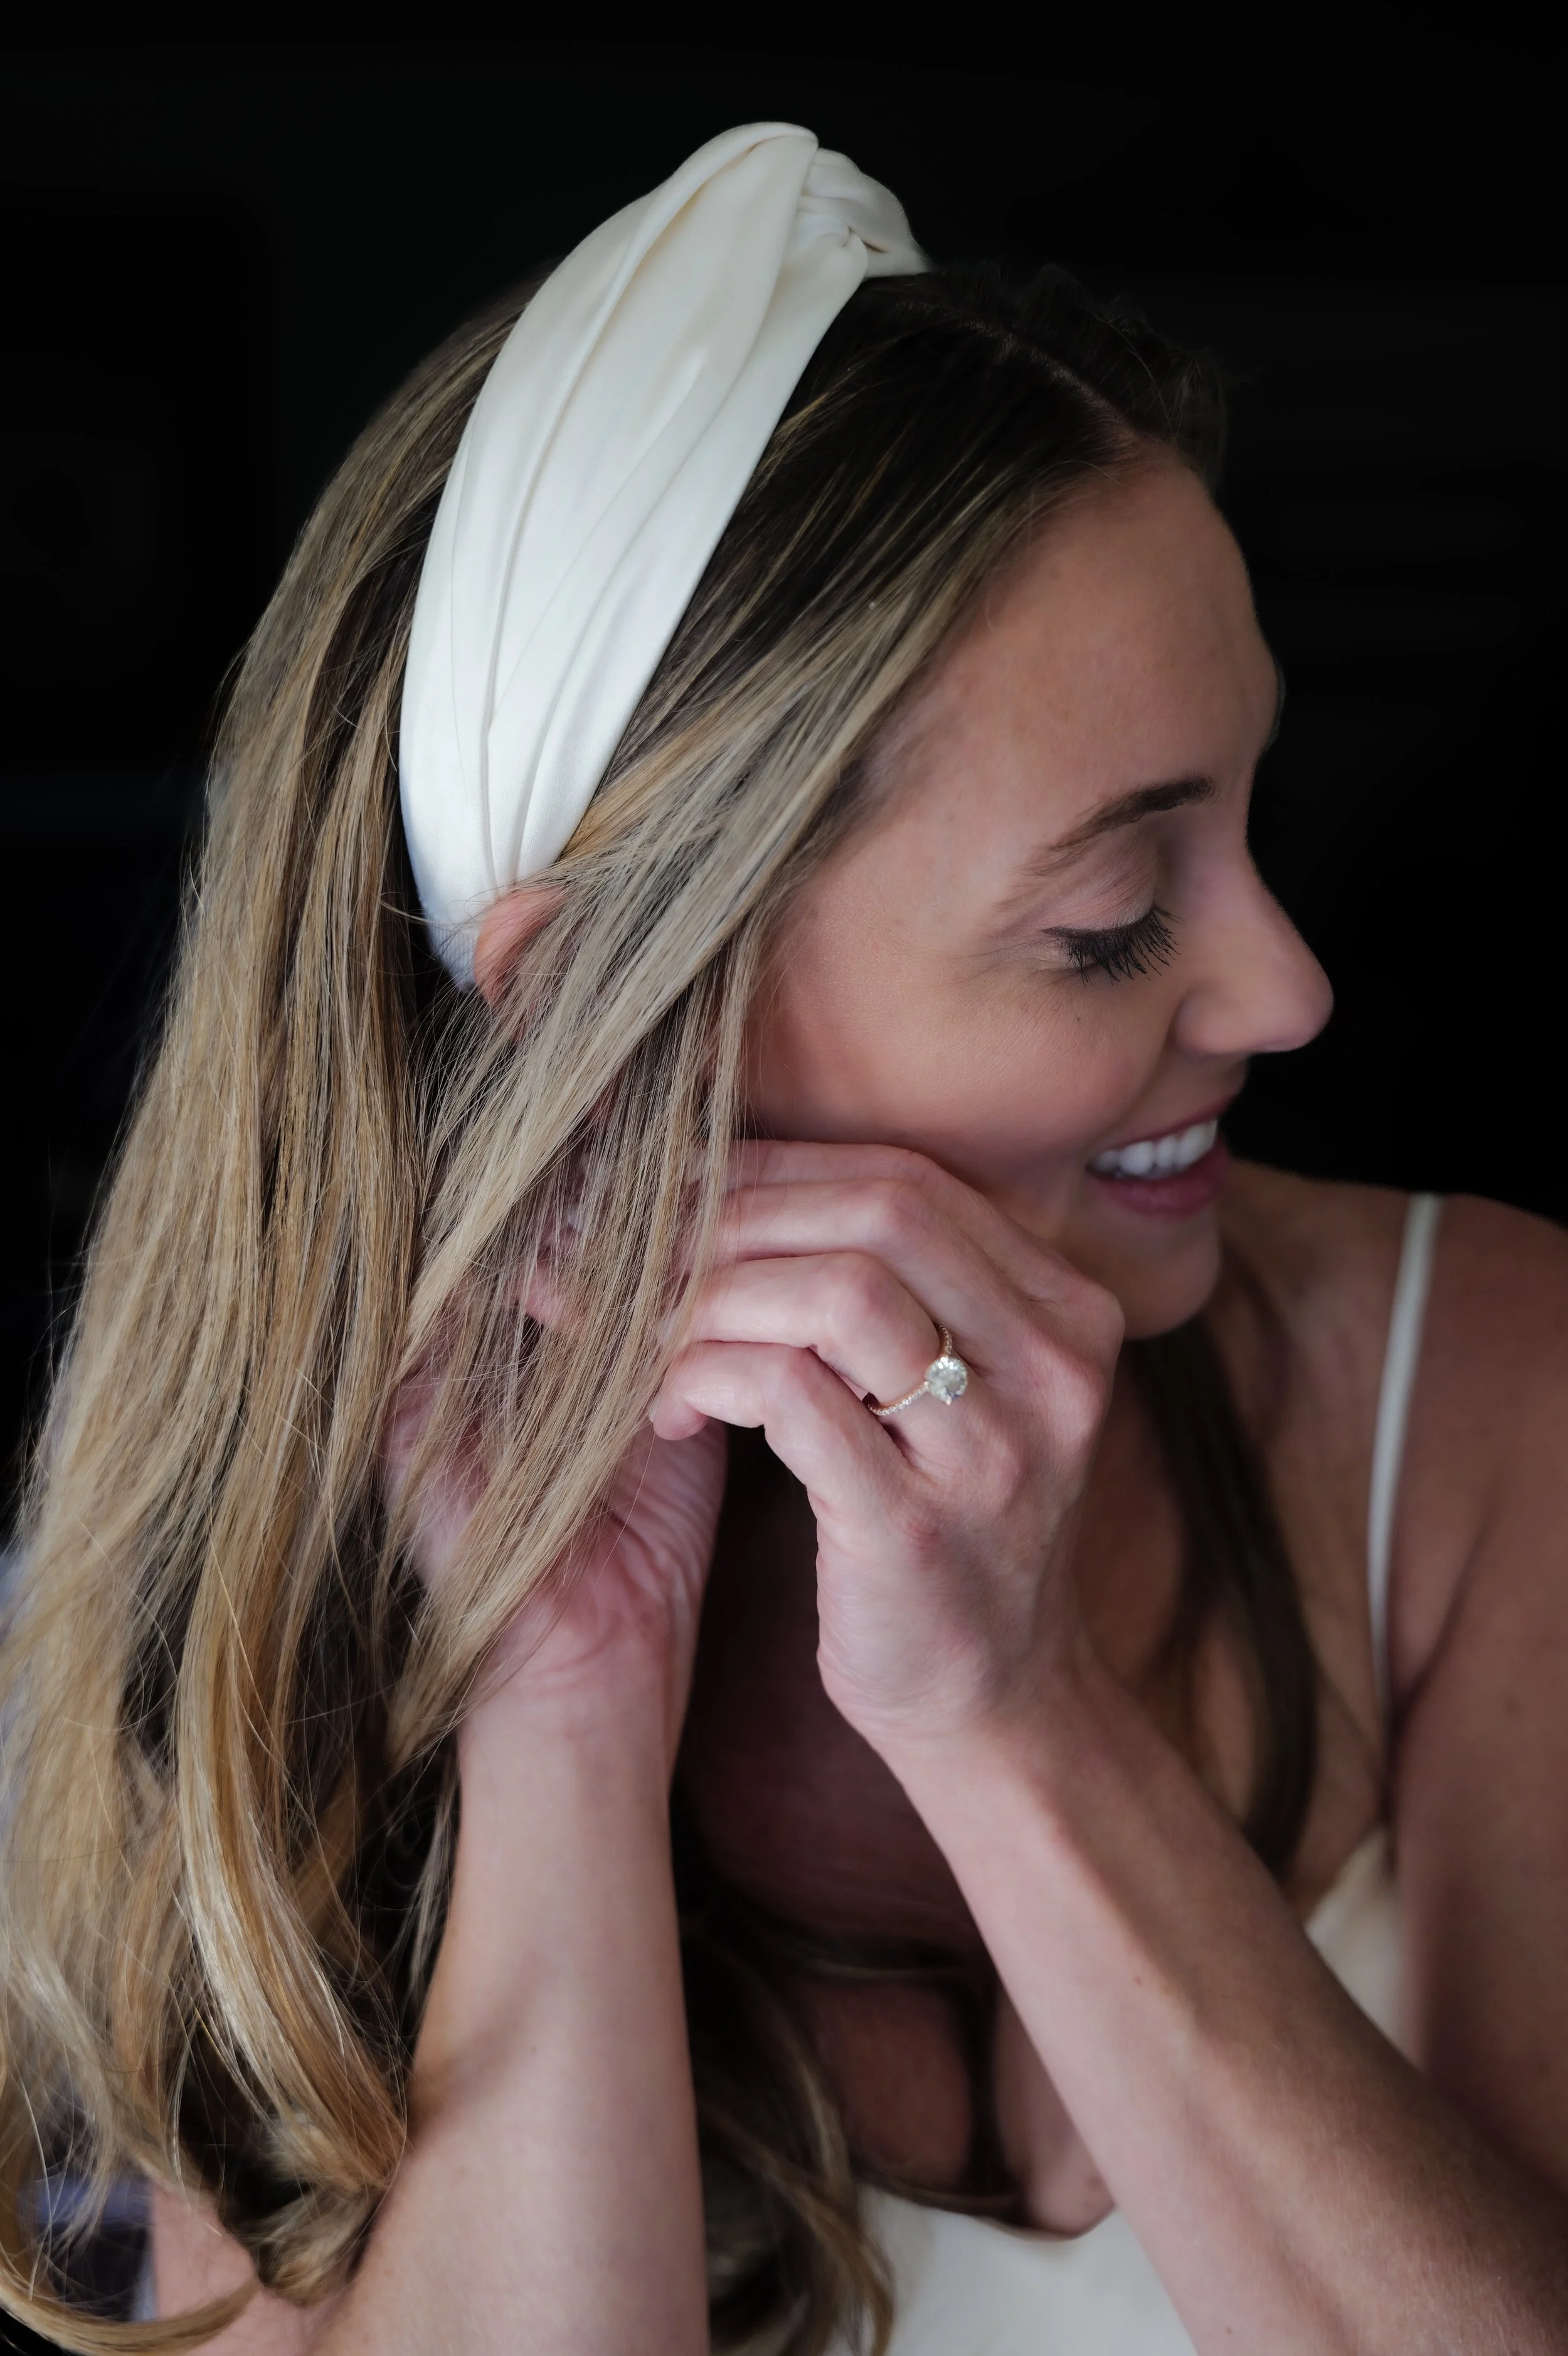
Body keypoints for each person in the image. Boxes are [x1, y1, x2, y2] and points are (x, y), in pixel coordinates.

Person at [3, 124, 1567, 2356]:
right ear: (621, 1014)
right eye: (1111, 915)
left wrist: (1010, 1714)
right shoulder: (267, 1656)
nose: (1290, 988)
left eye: (1250, 820)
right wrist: (563, 1693)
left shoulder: (1481, 1382)